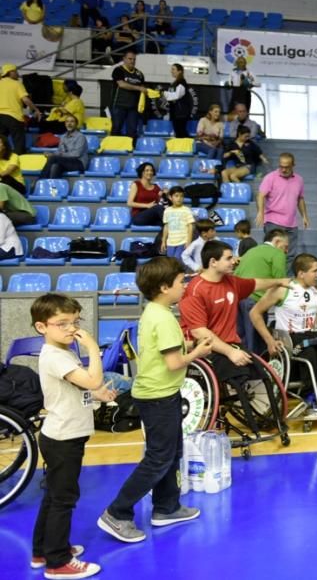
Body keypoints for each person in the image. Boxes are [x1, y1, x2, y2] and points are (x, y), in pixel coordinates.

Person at [98, 258, 212, 546]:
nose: (184, 285)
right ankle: (117, 512)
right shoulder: (165, 319)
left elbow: (163, 351)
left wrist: (185, 346)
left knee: (171, 453)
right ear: (164, 287)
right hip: (159, 396)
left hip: (161, 394)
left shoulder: (154, 311)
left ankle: (167, 507)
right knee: (158, 458)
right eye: (180, 281)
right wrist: (197, 351)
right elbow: (174, 363)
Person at [31, 293, 116, 578]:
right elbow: (92, 378)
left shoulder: (63, 353)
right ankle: (58, 563)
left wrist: (96, 396)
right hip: (63, 438)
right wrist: (93, 348)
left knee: (54, 496)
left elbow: (79, 389)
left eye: (75, 322)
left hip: (63, 434)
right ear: (42, 327)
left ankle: (43, 550)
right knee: (64, 499)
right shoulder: (55, 356)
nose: (71, 328)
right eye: (62, 323)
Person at [179, 241, 290, 437]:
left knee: (264, 375)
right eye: (228, 258)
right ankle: (254, 431)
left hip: (232, 344)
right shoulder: (196, 289)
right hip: (206, 347)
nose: (234, 261)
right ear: (213, 262)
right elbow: (199, 332)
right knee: (238, 380)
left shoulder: (231, 282)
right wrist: (230, 352)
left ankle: (273, 422)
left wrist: (279, 281)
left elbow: (256, 283)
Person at [251, 253, 317, 412]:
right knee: (309, 351)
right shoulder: (282, 290)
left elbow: (315, 310)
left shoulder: (314, 288)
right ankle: (309, 393)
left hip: (311, 333)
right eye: (315, 271)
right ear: (301, 273)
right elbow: (254, 314)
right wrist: (270, 340)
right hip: (291, 337)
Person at [234, 228, 290, 352]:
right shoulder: (277, 254)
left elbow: (236, 274)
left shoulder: (251, 251)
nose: (286, 251)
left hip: (238, 300)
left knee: (242, 342)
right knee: (256, 346)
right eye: (285, 247)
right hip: (255, 301)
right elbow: (280, 280)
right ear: (276, 241)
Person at [255, 152, 306, 264]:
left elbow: (300, 199)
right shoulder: (270, 177)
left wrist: (304, 216)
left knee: (290, 256)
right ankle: (271, 280)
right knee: (272, 254)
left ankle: (285, 280)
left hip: (292, 224)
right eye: (281, 166)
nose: (283, 169)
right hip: (273, 221)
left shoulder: (299, 180)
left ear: (293, 165)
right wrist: (260, 212)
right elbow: (261, 195)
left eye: (286, 167)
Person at [0, 63, 42, 155]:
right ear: (10, 72)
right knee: (19, 145)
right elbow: (25, 100)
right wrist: (36, 110)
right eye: (15, 71)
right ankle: (19, 166)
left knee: (1, 144)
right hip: (14, 117)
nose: (18, 74)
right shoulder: (16, 84)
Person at [110, 51, 146, 143]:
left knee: (132, 131)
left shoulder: (140, 74)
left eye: (134, 59)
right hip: (119, 105)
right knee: (116, 127)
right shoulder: (118, 70)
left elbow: (142, 88)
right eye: (130, 59)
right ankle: (113, 147)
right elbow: (121, 84)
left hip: (133, 107)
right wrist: (138, 88)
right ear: (124, 59)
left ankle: (131, 149)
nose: (132, 61)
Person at [160, 186, 194, 260]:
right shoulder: (167, 211)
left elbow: (190, 226)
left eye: (181, 196)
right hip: (170, 242)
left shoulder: (186, 210)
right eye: (176, 196)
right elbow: (166, 226)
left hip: (183, 241)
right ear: (170, 197)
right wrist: (163, 241)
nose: (179, 198)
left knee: (177, 260)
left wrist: (189, 241)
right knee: (171, 262)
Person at [128, 163, 165, 228]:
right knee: (158, 208)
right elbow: (129, 203)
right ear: (142, 172)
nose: (150, 172)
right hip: (138, 217)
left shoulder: (156, 187)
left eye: (151, 170)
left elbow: (160, 203)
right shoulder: (136, 184)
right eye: (147, 170)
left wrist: (164, 194)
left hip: (152, 217)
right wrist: (147, 205)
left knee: (164, 224)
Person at [163, 64, 193, 139]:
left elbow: (177, 95)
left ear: (179, 71)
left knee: (181, 132)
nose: (171, 71)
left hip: (181, 113)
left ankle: (188, 146)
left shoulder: (181, 82)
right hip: (175, 112)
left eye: (173, 69)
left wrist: (164, 93)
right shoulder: (175, 83)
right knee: (178, 132)